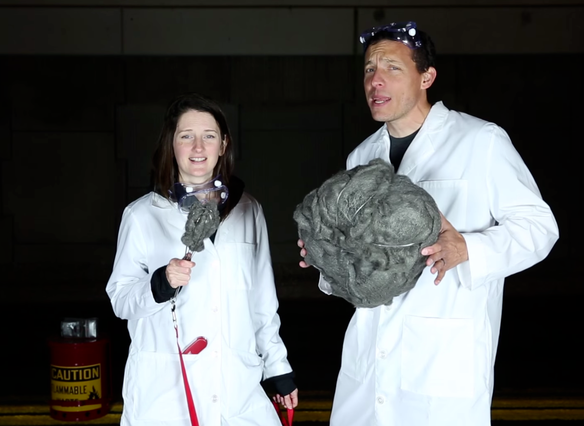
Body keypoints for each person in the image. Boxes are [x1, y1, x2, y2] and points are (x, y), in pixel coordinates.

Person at [297, 21, 559, 426]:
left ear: (427, 77)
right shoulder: (362, 156)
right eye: (369, 69)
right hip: (369, 367)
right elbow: (357, 270)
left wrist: (469, 249)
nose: (376, 81)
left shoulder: (480, 141)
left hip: (443, 367)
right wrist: (326, 259)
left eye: (392, 68)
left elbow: (540, 227)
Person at [107, 93, 298, 426]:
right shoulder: (141, 215)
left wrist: (278, 368)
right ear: (172, 145)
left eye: (209, 136)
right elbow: (120, 300)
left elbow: (262, 302)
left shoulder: (248, 210)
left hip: (236, 389)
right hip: (165, 394)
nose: (198, 147)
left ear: (223, 145)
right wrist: (160, 284)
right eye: (186, 137)